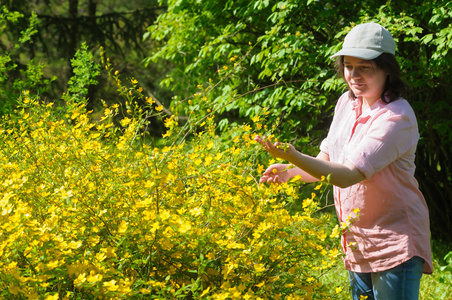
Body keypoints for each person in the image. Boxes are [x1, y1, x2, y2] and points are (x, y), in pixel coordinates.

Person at [254, 22, 432, 300]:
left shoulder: (396, 117)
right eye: (348, 66)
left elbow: (348, 174)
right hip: (357, 240)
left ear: (387, 69)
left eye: (365, 67)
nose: (354, 75)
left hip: (393, 242)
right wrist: (290, 172)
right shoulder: (346, 104)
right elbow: (328, 160)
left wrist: (293, 155)